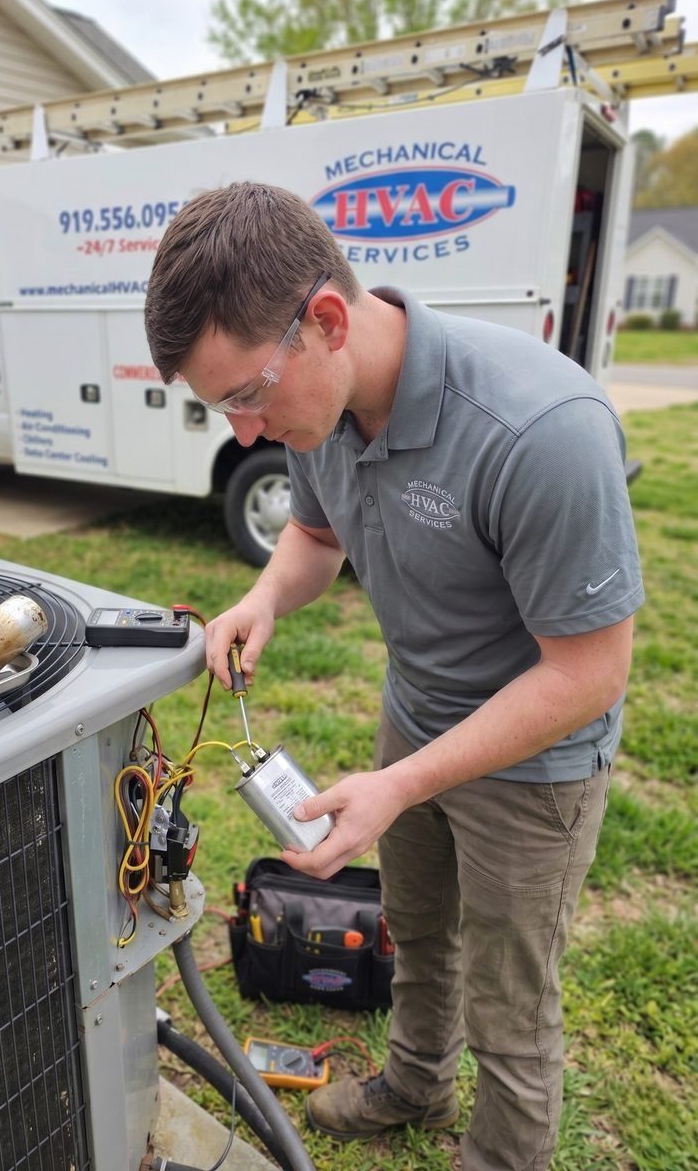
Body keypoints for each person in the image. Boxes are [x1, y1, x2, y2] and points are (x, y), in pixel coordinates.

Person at [144, 182, 643, 1170]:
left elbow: (589, 674)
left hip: (537, 764)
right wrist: (266, 601)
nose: (243, 432)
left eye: (245, 394)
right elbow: (315, 536)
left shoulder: (541, 430)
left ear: (326, 320)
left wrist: (405, 782)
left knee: (511, 994)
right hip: (414, 721)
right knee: (415, 931)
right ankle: (415, 1082)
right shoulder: (321, 413)